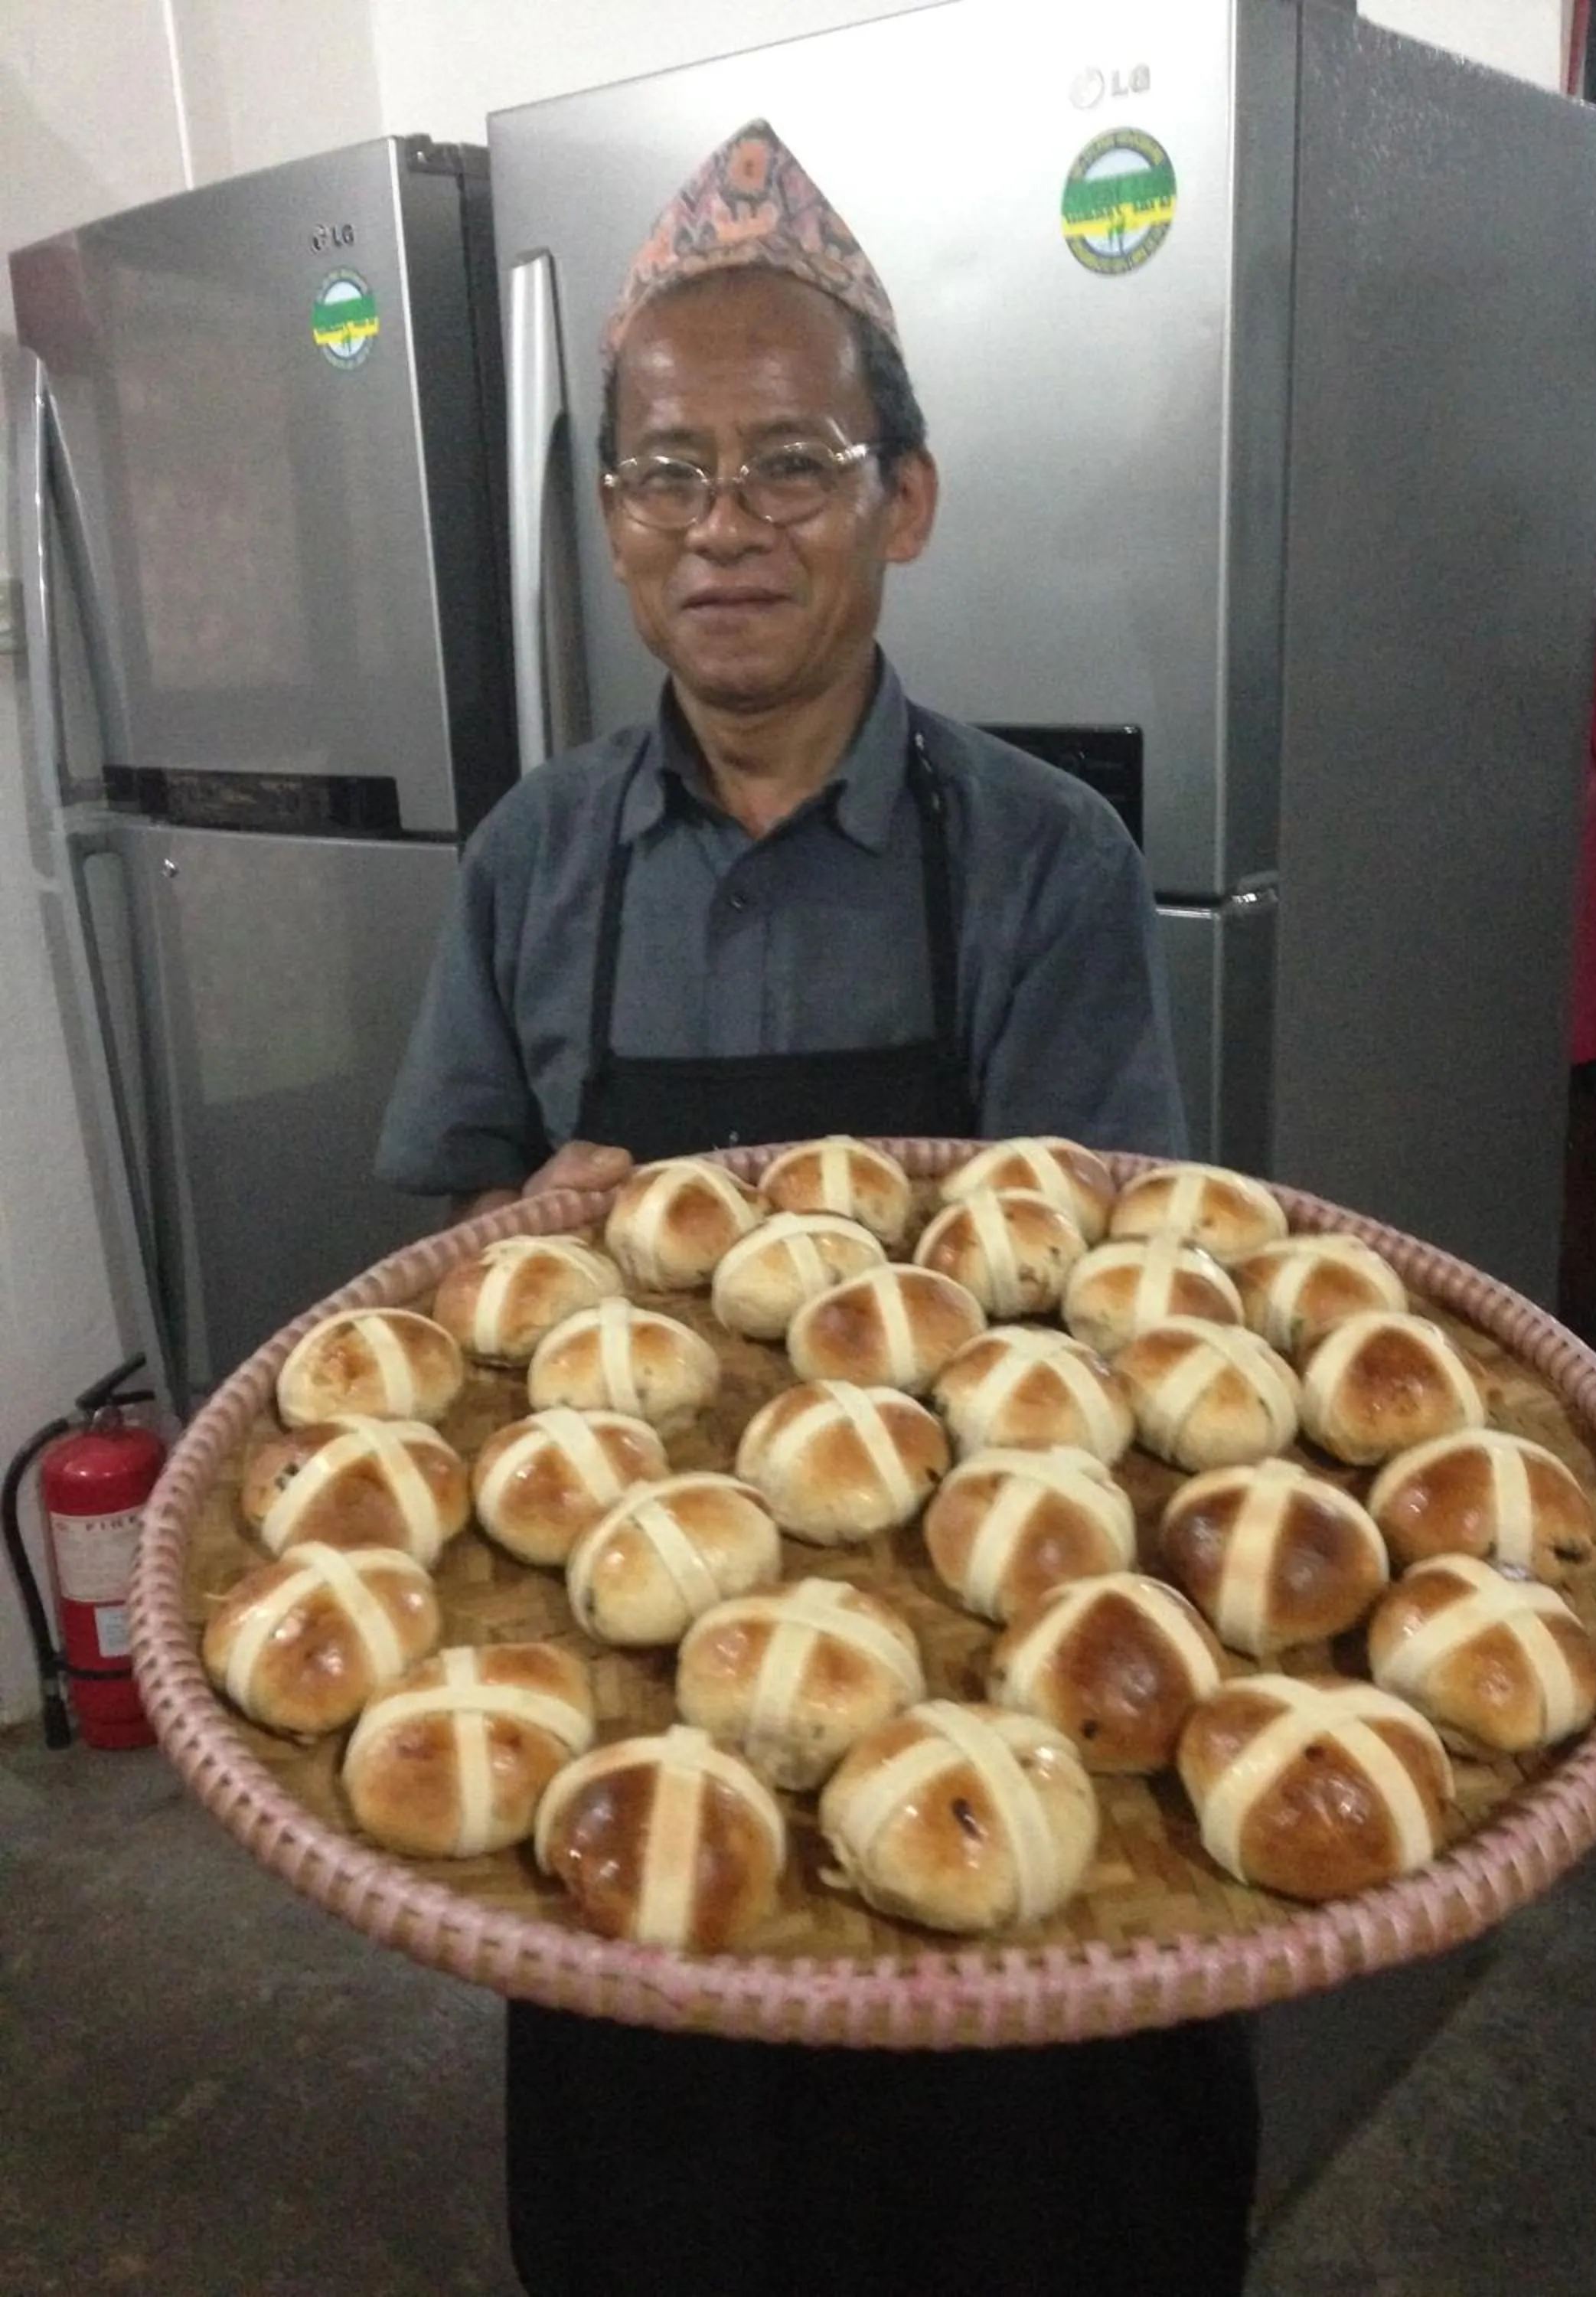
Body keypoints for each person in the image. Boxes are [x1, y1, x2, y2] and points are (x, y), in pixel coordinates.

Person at [378, 120, 1254, 2297]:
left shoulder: (1042, 856)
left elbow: (1129, 1330)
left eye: (792, 464)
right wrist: (529, 1237)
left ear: (908, 499)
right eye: (664, 474)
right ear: (605, 525)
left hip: (999, 1699)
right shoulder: (531, 863)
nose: (723, 530)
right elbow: (437, 1297)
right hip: (644, 1731)